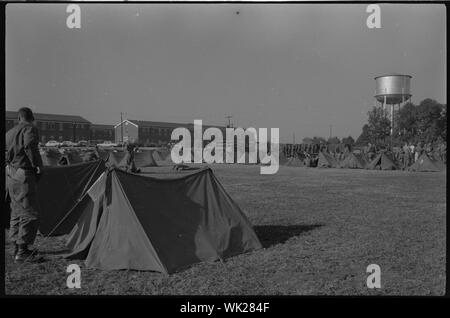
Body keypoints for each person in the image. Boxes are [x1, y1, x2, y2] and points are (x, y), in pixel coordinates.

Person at [5, 107, 43, 262]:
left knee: (16, 211)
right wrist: (38, 165)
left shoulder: (10, 132)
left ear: (18, 118)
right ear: (31, 117)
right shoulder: (30, 128)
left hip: (11, 173)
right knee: (30, 213)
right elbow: (30, 146)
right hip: (24, 172)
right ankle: (23, 252)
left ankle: (15, 247)